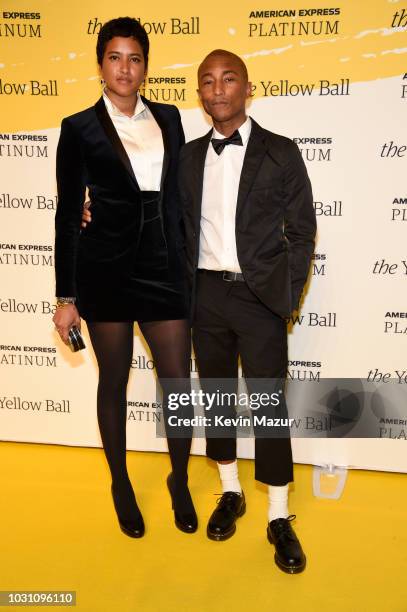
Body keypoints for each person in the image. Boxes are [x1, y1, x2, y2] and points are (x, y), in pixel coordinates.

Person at [53, 17, 197, 539]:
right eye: (115, 57)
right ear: (100, 65)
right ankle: (120, 483)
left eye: (134, 58)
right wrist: (65, 295)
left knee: (177, 384)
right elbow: (69, 214)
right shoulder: (79, 128)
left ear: (145, 66)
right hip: (106, 271)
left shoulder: (171, 117)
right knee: (112, 382)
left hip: (163, 266)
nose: (125, 68)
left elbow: (182, 192)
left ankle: (179, 479)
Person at [178, 50, 316, 573]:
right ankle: (230, 491)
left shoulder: (281, 152)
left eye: (227, 79)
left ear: (247, 87)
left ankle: (279, 515)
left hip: (259, 297)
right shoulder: (187, 158)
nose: (217, 89)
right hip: (205, 295)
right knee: (215, 396)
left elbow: (302, 231)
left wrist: (285, 293)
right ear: (200, 93)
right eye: (207, 81)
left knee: (266, 402)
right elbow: (159, 219)